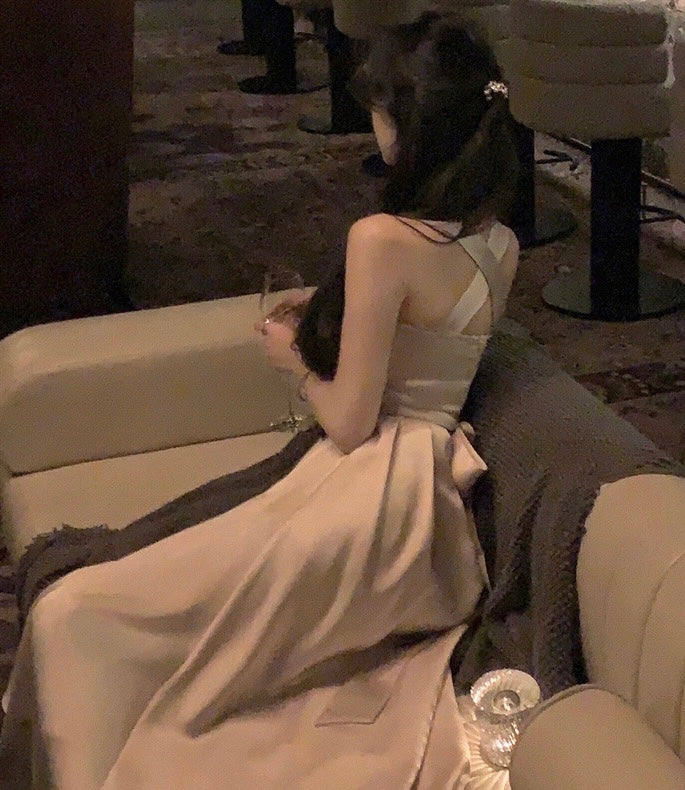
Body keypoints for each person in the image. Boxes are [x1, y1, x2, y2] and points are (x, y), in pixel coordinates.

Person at [0, 12, 520, 788]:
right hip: (432, 501)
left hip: (369, 490)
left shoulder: (383, 239)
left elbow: (351, 420)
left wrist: (295, 363)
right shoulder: (500, 244)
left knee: (88, 613)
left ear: (408, 126)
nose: (373, 124)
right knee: (124, 602)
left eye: (380, 109)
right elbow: (433, 346)